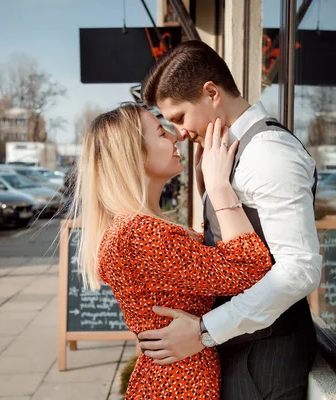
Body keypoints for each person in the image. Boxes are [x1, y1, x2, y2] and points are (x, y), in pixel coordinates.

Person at [137, 40, 322, 399]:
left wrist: (205, 330)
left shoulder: (268, 154)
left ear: (211, 93)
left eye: (179, 117)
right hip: (241, 349)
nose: (179, 132)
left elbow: (300, 269)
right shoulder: (224, 151)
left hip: (265, 358)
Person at [73, 103, 274, 399]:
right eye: (160, 132)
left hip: (172, 379)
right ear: (135, 154)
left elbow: (195, 263)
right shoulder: (139, 234)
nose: (175, 137)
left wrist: (205, 188)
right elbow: (251, 268)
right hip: (180, 385)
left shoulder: (132, 229)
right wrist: (219, 188)